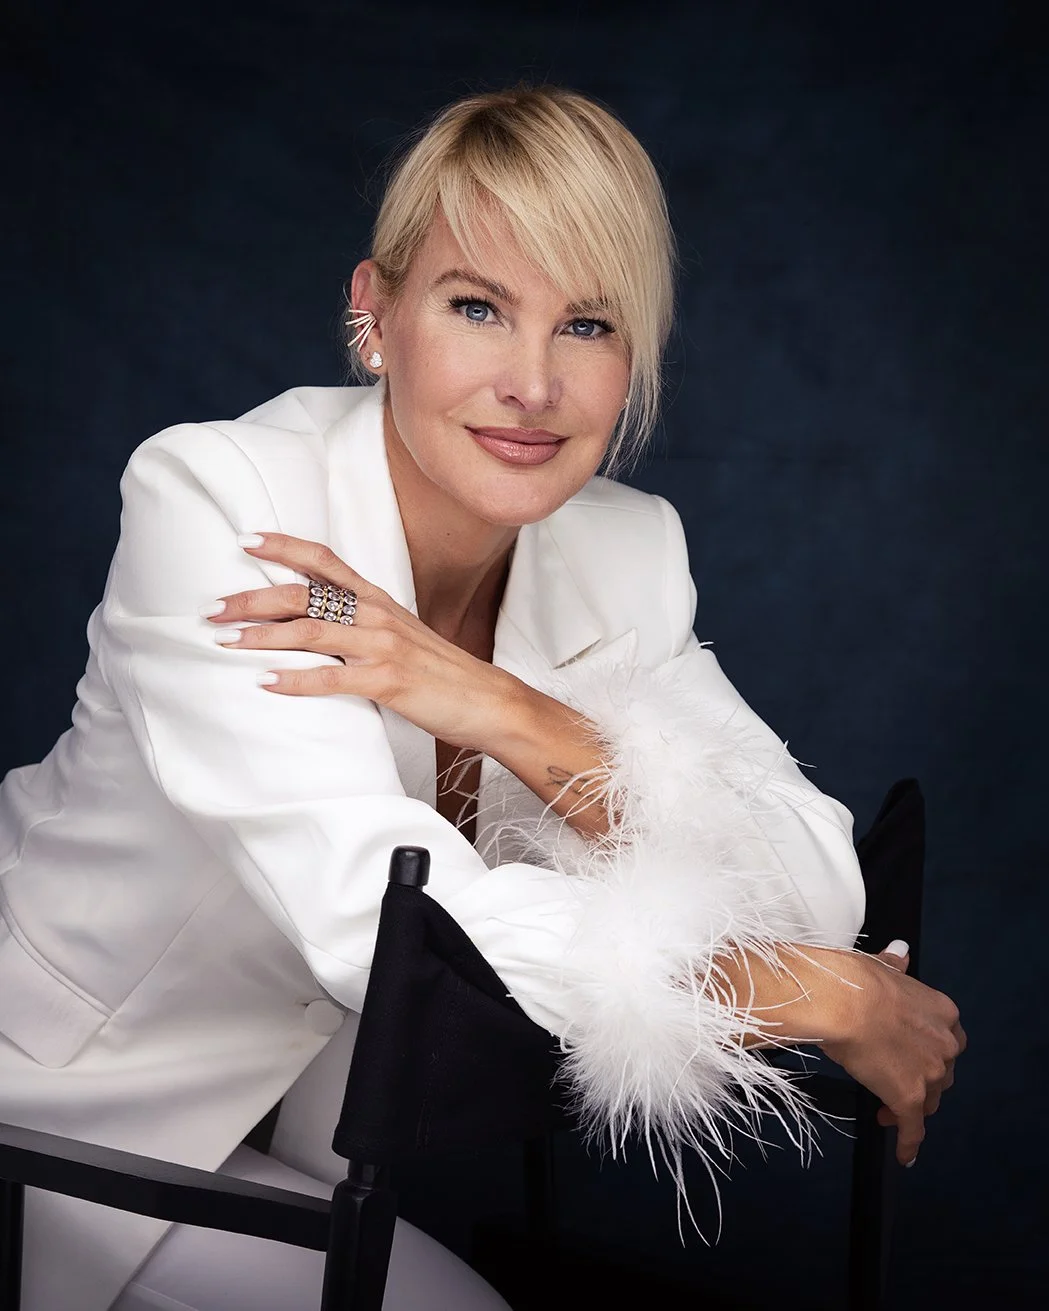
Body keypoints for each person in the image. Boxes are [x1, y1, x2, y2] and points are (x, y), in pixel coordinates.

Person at [0, 84, 965, 1311]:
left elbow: (806, 880)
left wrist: (495, 704)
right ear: (375, 313)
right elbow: (397, 935)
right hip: (70, 1111)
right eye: (476, 307)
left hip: (316, 1147)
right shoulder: (229, 508)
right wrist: (810, 994)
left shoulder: (624, 548)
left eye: (587, 326)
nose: (532, 386)